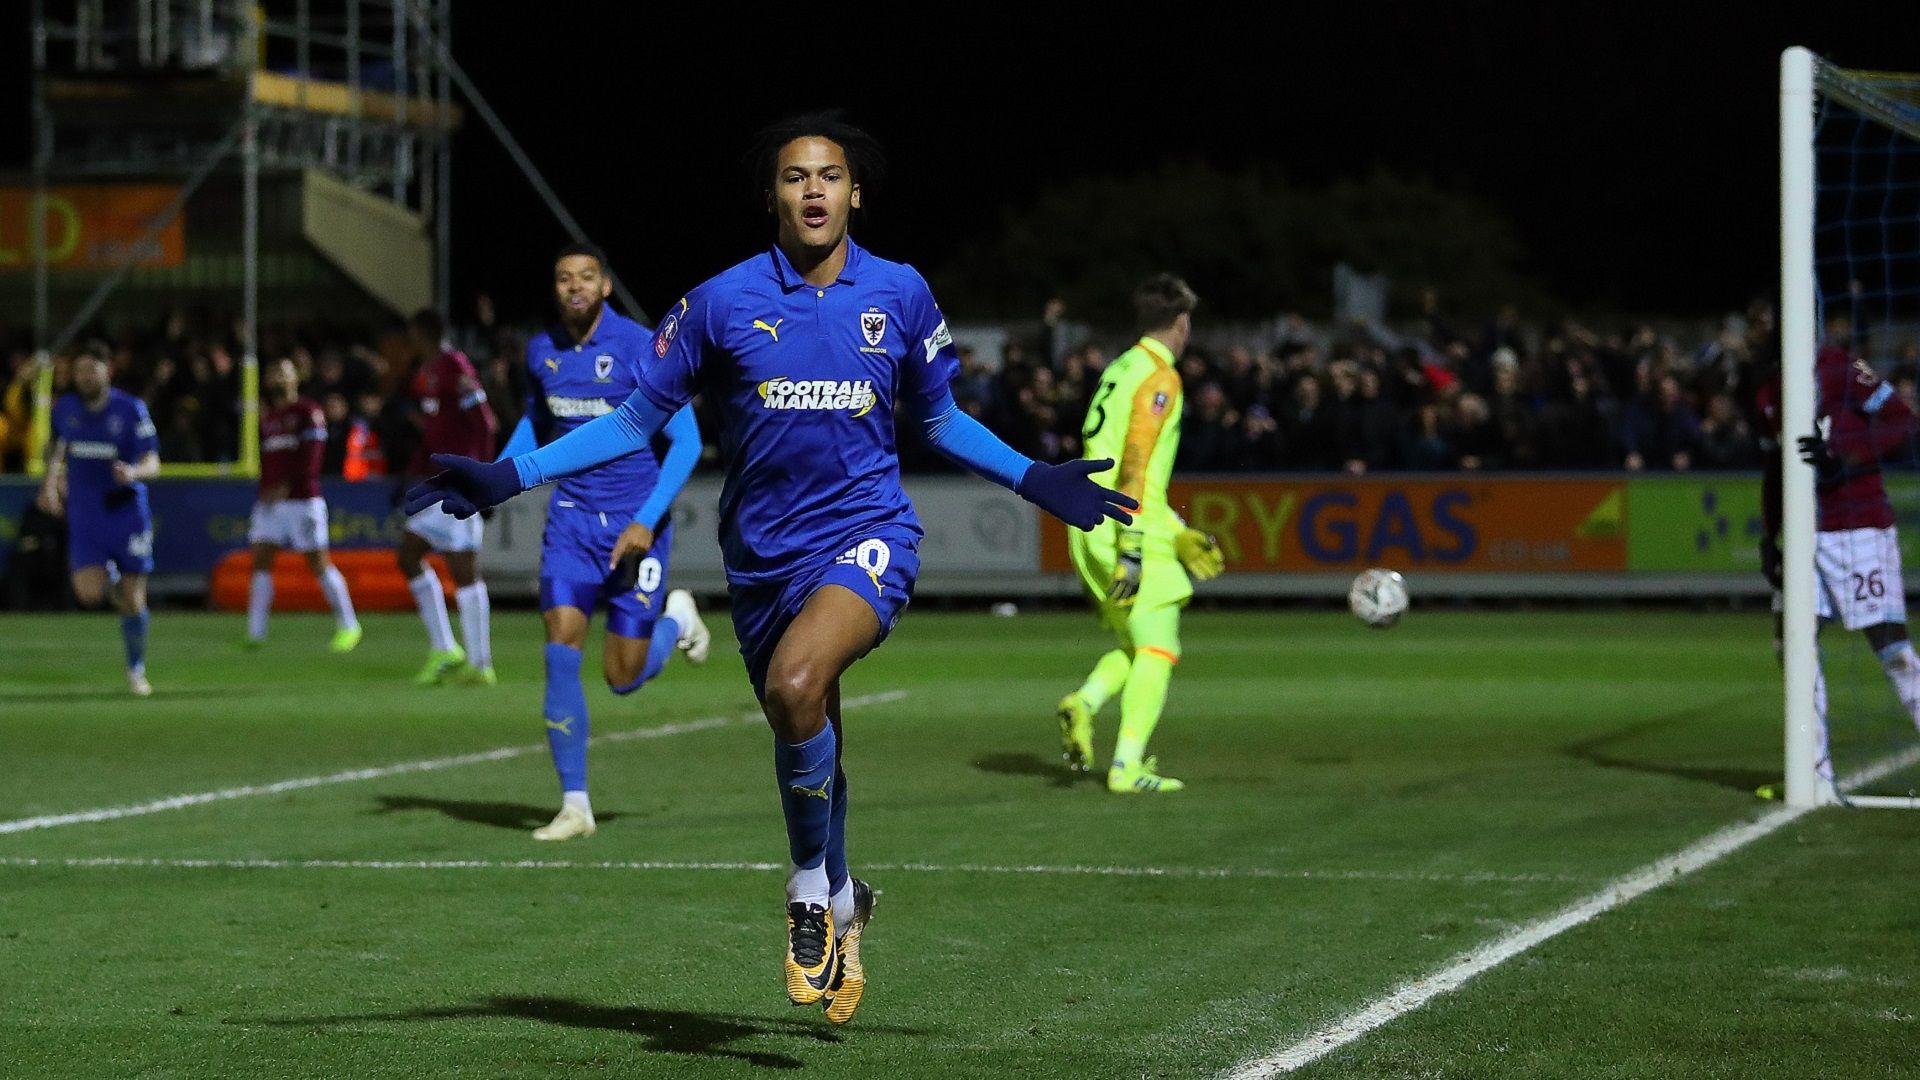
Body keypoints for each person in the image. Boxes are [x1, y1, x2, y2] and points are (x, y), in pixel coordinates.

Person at [404, 111, 1134, 1025]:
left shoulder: (901, 293)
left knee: (796, 683)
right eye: (796, 177)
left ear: (855, 194)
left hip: (868, 534)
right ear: (773, 197)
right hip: (760, 561)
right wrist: (515, 472)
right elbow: (635, 421)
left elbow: (938, 420)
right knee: (809, 714)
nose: (814, 189)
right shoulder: (718, 302)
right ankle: (843, 894)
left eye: (830, 176)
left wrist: (1036, 477)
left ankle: (803, 893)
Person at [502, 242, 712, 841]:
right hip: (570, 522)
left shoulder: (642, 346)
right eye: (564, 277)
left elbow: (688, 441)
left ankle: (676, 619)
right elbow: (535, 424)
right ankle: (575, 805)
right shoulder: (541, 350)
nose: (574, 287)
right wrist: (496, 475)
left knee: (622, 676)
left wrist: (647, 519)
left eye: (586, 277)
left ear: (606, 286)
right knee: (559, 646)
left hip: (634, 531)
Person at [1056, 274, 1225, 794]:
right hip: (1122, 522)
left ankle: (1084, 702)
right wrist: (1134, 543)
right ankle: (1127, 766)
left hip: (1087, 517)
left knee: (1136, 642)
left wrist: (1174, 531)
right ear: (1181, 322)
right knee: (1161, 648)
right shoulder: (1161, 375)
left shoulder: (1120, 366)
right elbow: (1137, 457)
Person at [1759, 314, 1920, 794]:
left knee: (1890, 647)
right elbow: (1775, 464)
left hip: (1858, 529)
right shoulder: (1768, 391)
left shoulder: (1843, 369)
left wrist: (1842, 453)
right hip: (1807, 535)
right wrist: (1772, 536)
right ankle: (1813, 775)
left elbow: (1903, 422)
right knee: (1793, 643)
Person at [37, 342, 160, 695]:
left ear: (108, 371)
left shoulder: (131, 409)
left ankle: (136, 669)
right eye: (79, 372)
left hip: (126, 511)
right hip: (85, 511)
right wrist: (49, 483)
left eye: (91, 370)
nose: (84, 378)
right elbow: (57, 445)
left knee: (135, 597)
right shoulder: (66, 407)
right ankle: (115, 579)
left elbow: (154, 461)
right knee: (89, 594)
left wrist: (134, 471)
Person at [398, 308, 499, 685]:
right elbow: (434, 430)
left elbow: (486, 422)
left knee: (463, 572)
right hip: (436, 481)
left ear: (425, 334)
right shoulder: (427, 373)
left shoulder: (456, 365)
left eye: (413, 334)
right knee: (408, 556)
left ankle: (480, 662)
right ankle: (446, 648)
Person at [242, 357, 363, 652]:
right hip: (270, 502)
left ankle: (349, 625)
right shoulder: (268, 418)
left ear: (296, 377)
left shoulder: (308, 412)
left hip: (301, 500)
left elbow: (312, 458)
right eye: (274, 373)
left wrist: (287, 486)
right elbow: (269, 461)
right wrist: (265, 491)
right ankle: (255, 632)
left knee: (318, 562)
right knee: (260, 559)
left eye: (285, 372)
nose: (279, 377)